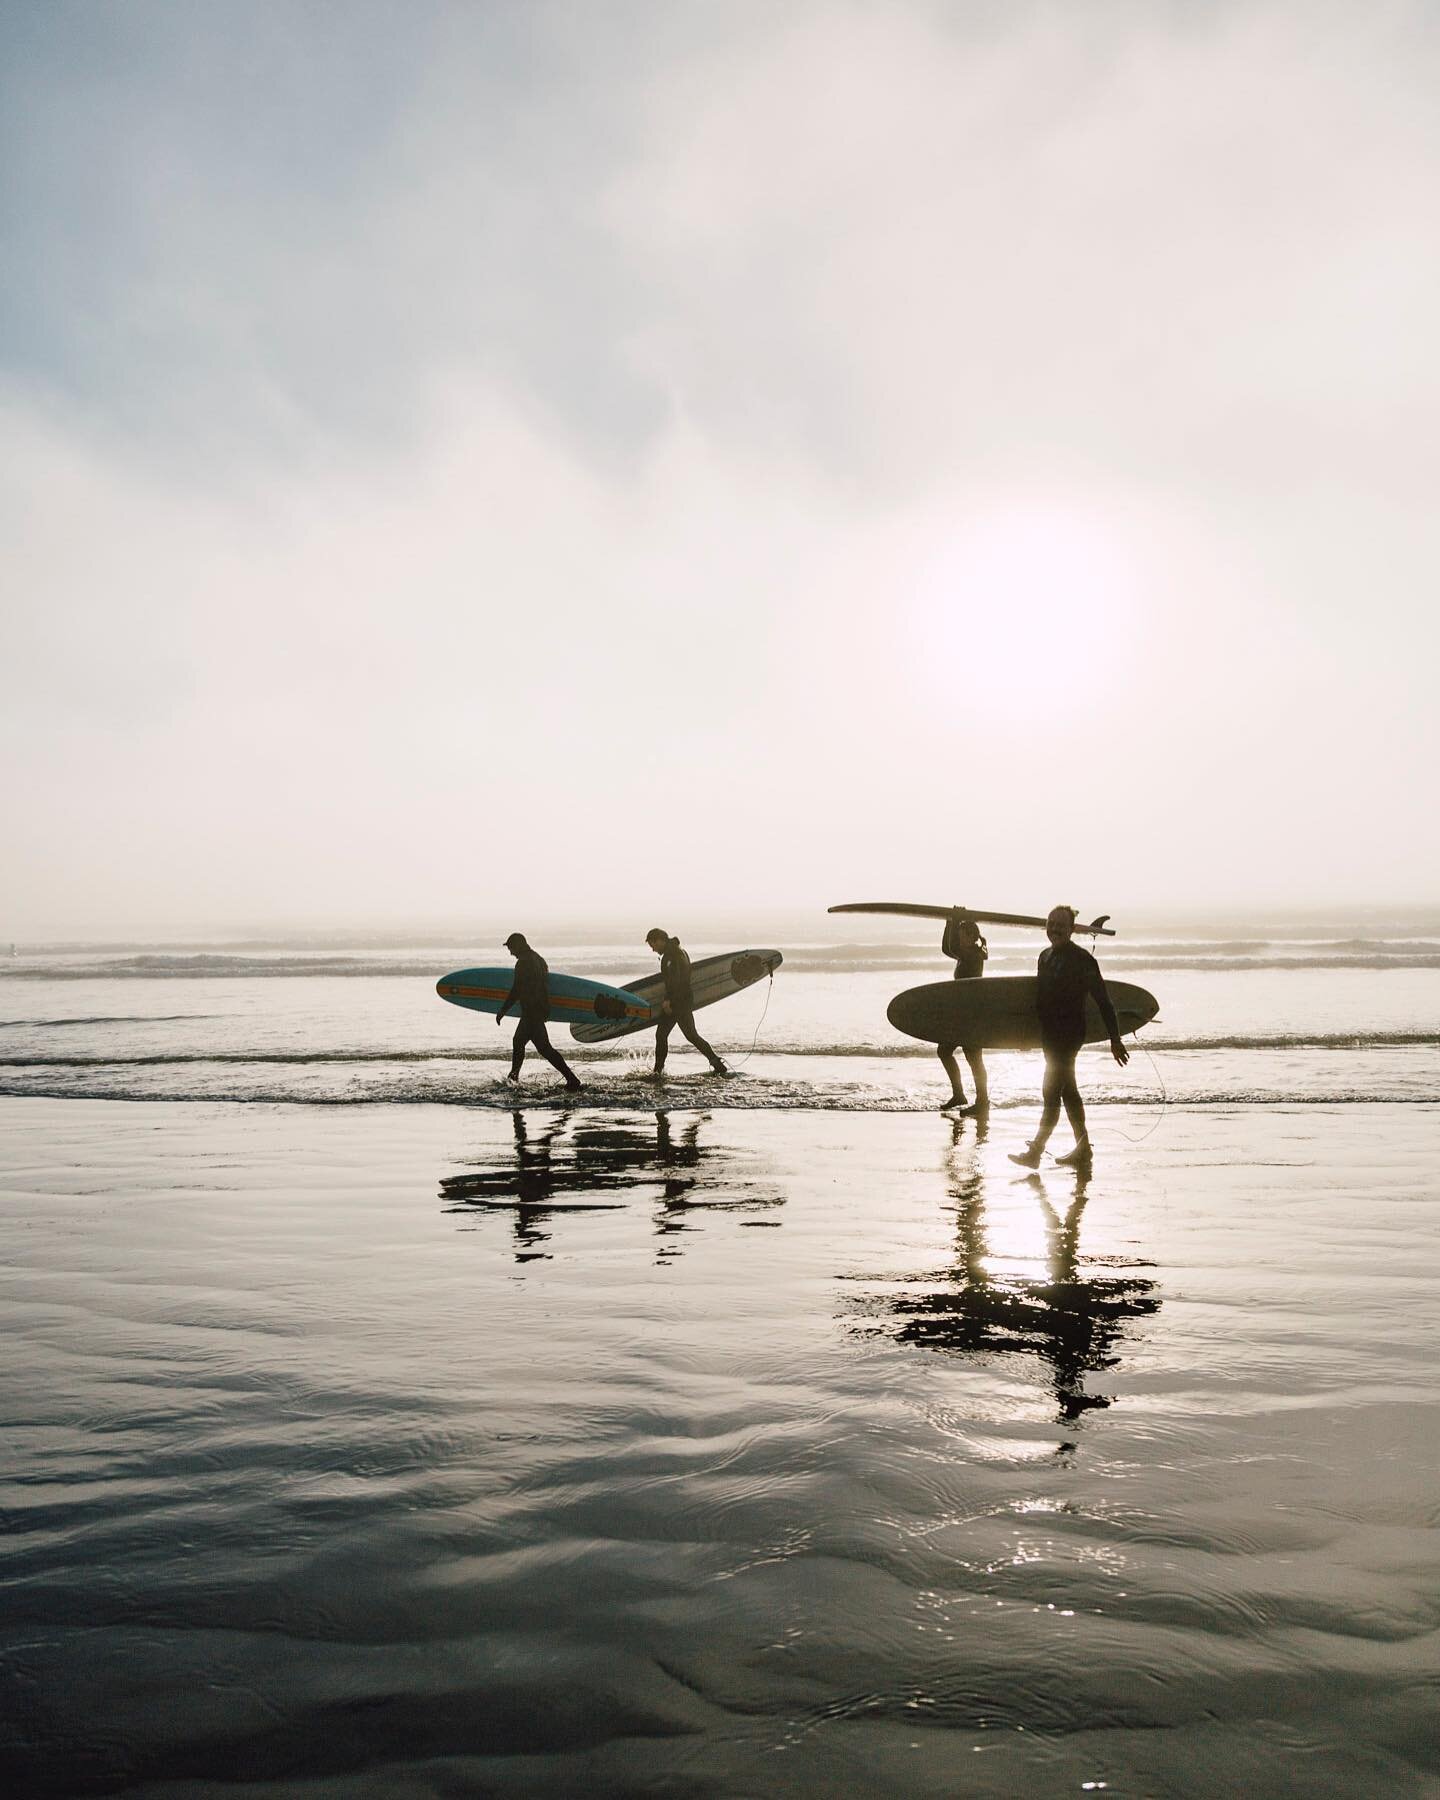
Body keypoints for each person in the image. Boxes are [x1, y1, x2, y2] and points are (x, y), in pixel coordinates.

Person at [1009, 905, 1128, 1169]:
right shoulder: (1044, 957)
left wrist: (1115, 1040)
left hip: (1070, 1035)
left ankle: (1037, 1151)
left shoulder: (1082, 960)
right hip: (1049, 1037)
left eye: (1061, 924)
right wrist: (1025, 1037)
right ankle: (1083, 1149)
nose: (1054, 929)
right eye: (1051, 924)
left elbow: (1104, 1001)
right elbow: (1040, 1002)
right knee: (1069, 1093)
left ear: (1072, 929)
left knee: (1051, 1092)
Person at [495, 932, 583, 1091]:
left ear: (519, 944)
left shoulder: (523, 963)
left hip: (531, 1011)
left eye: (511, 947)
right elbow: (546, 981)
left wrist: (503, 1010)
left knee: (519, 1042)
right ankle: (572, 1079)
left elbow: (517, 989)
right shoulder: (537, 958)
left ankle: (513, 1079)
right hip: (539, 1009)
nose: (511, 952)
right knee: (544, 1048)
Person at [644, 928, 730, 1078]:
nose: (653, 949)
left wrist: (668, 1001)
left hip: (677, 1002)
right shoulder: (679, 951)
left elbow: (676, 981)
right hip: (683, 1000)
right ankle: (717, 1063)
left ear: (659, 940)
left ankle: (657, 1072)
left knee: (662, 1035)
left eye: (653, 945)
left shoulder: (672, 955)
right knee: (690, 1035)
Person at [938, 910, 989, 1113]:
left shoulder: (974, 955)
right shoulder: (965, 954)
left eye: (961, 934)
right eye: (958, 935)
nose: (959, 938)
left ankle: (982, 1102)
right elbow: (946, 948)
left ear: (971, 936)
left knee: (974, 1058)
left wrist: (955, 918)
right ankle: (960, 1094)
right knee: (945, 1051)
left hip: (971, 1014)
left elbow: (951, 946)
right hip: (963, 1013)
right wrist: (949, 923)